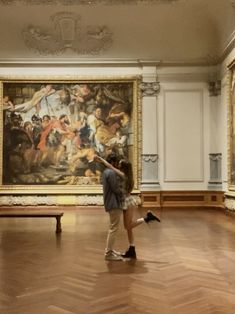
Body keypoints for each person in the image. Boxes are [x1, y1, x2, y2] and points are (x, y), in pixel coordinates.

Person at [96, 155, 160, 259]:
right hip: (124, 201)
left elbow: (111, 167)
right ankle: (132, 248)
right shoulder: (126, 176)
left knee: (128, 226)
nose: (118, 166)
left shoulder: (123, 176)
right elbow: (111, 168)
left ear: (124, 168)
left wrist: (102, 160)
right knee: (128, 227)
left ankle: (146, 218)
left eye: (120, 165)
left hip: (128, 202)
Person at [101, 153, 124, 261]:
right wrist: (125, 192)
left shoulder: (106, 171)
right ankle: (108, 253)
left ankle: (110, 250)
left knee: (113, 227)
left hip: (111, 202)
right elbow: (115, 189)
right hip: (113, 202)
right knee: (113, 228)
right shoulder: (111, 172)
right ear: (113, 162)